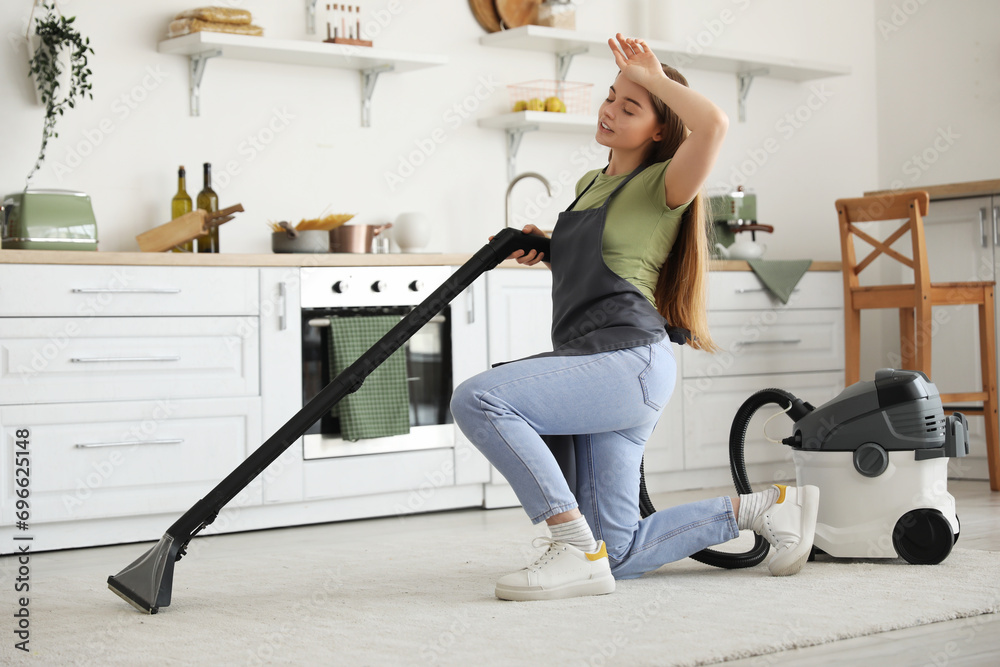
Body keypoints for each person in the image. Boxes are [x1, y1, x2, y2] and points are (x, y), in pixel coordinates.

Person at [450, 34, 819, 601]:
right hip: (594, 363)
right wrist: (546, 246)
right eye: (610, 97)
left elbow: (715, 124)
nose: (610, 111)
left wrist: (654, 78)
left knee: (479, 398)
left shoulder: (665, 183)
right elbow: (611, 255)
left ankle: (569, 542)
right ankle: (766, 508)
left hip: (627, 361)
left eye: (631, 106)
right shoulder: (588, 185)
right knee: (617, 555)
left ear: (659, 129)